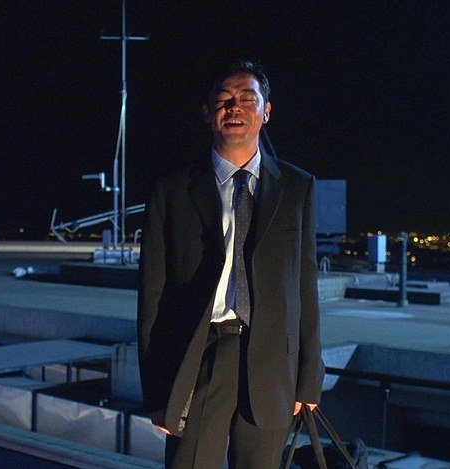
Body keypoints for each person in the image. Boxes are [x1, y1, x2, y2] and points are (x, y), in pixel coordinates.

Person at [137, 59, 325, 468]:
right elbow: (152, 297)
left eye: (246, 98)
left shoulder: (298, 187)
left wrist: (309, 378)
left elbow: (304, 286)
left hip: (272, 363)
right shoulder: (172, 190)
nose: (234, 107)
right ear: (207, 113)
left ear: (266, 111)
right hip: (199, 357)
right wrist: (156, 391)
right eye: (223, 99)